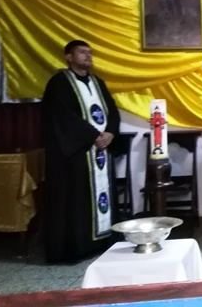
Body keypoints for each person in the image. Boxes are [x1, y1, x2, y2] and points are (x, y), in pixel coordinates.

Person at [42, 40, 120, 263]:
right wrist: (93, 136)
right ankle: (79, 246)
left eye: (89, 52)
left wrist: (110, 133)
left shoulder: (98, 82)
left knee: (101, 195)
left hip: (100, 151)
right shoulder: (59, 83)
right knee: (78, 200)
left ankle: (103, 241)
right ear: (68, 57)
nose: (88, 56)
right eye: (81, 52)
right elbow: (63, 117)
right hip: (77, 154)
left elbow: (112, 111)